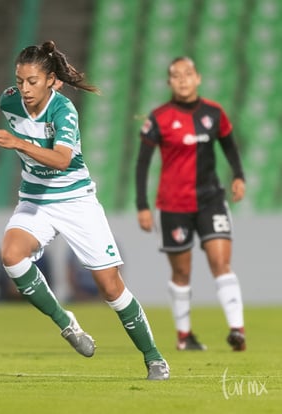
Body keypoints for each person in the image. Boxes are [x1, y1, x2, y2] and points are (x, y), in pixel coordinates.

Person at [0, 40, 169, 380]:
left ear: (51, 80)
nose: (24, 88)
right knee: (11, 255)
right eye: (20, 80)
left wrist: (17, 143)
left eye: (33, 81)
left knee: (110, 286)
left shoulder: (64, 111)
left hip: (76, 200)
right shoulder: (8, 101)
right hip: (35, 199)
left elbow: (62, 159)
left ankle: (154, 357)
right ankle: (66, 323)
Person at [135, 56, 246, 351]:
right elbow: (142, 164)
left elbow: (229, 145)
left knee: (221, 262)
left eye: (188, 74)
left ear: (198, 78)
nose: (182, 79)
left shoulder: (214, 113)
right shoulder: (158, 118)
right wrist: (142, 205)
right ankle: (185, 336)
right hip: (173, 205)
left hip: (211, 199)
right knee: (182, 272)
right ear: (169, 82)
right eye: (176, 75)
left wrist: (238, 175)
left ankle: (238, 329)